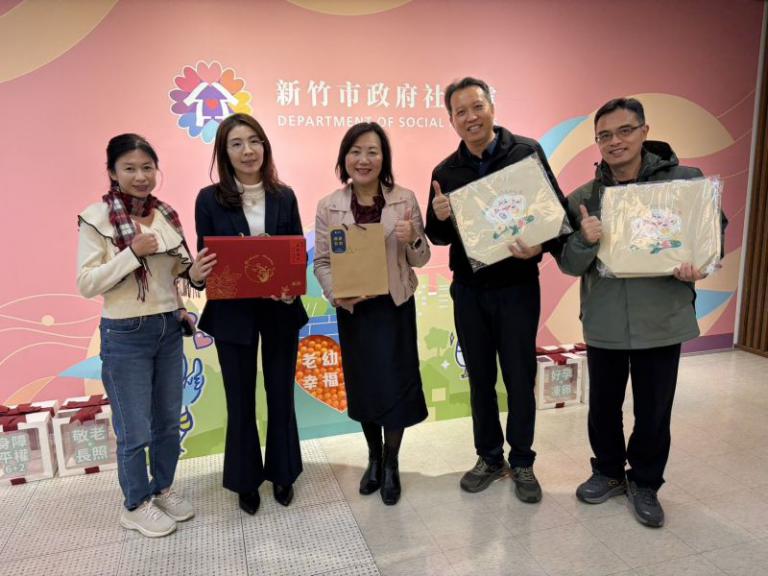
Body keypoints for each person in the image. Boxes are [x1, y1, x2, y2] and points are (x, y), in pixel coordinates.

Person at [557, 97, 727, 527]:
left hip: (661, 319)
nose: (615, 141)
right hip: (605, 321)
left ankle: (646, 482)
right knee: (603, 407)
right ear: (597, 142)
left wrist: (699, 263)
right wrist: (584, 239)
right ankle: (608, 472)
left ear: (644, 131)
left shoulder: (684, 185)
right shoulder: (584, 197)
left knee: (653, 410)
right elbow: (568, 264)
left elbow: (711, 239)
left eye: (625, 131)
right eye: (605, 136)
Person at [425, 77, 568, 503]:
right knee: (481, 378)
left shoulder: (525, 152)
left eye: (477, 107)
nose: (470, 117)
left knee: (520, 378)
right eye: (460, 112)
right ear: (451, 120)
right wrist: (439, 215)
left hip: (517, 287)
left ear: (491, 107)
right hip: (469, 290)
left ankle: (522, 461)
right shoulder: (445, 171)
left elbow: (555, 213)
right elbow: (437, 237)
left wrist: (540, 245)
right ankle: (489, 457)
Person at [77, 133, 216, 537]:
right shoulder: (96, 218)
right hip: (124, 332)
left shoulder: (166, 215)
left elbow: (178, 272)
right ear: (112, 172)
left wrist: (196, 273)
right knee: (134, 428)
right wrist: (131, 253)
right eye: (130, 168)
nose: (140, 176)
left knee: (168, 422)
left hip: (168, 327)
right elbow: (87, 283)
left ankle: (163, 488)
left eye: (147, 167)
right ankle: (135, 504)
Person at [195, 113, 307, 515]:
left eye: (254, 141)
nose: (248, 151)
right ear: (224, 153)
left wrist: (289, 286)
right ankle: (245, 480)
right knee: (239, 399)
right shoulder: (209, 199)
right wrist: (199, 272)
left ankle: (283, 472)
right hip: (232, 313)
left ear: (265, 147)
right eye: (237, 143)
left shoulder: (284, 196)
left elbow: (295, 252)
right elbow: (207, 259)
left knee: (280, 395)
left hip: (279, 311)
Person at [314, 122, 430, 505]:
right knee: (364, 386)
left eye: (372, 152)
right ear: (344, 158)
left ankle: (392, 462)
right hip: (355, 310)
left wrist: (413, 237)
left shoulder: (404, 199)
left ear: (384, 158)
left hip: (395, 306)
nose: (363, 160)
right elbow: (323, 262)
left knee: (396, 386)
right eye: (356, 151)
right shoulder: (329, 205)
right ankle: (374, 457)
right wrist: (337, 294)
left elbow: (421, 258)